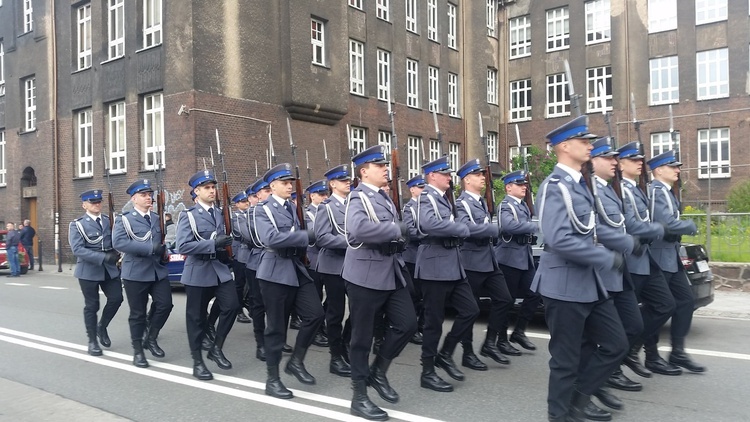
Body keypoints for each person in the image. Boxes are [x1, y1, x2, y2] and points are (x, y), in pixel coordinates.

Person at [532, 116, 629, 422]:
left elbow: (594, 226)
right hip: (563, 285)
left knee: (616, 345)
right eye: (584, 141)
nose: (590, 146)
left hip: (589, 283)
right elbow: (559, 238)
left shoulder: (580, 185)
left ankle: (579, 402)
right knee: (565, 361)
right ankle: (559, 416)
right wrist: (603, 258)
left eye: (589, 141)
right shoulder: (554, 187)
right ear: (564, 146)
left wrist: (629, 243)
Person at [342, 145, 417, 420]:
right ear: (364, 172)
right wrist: (396, 229)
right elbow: (358, 230)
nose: (386, 168)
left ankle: (378, 372)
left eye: (385, 164)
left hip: (390, 272)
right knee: (361, 339)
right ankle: (359, 397)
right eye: (379, 165)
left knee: (408, 324)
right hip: (364, 276)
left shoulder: (384, 197)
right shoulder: (357, 197)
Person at [582, 138, 648, 418]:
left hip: (620, 272)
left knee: (633, 327)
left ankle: (601, 376)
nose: (614, 162)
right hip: (602, 271)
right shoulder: (590, 191)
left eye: (616, 158)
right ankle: (594, 384)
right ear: (593, 161)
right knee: (599, 338)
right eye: (608, 157)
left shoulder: (611, 190)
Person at [253, 163, 325, 399]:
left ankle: (296, 361)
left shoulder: (293, 208)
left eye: (290, 182)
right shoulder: (263, 209)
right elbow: (271, 238)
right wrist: (304, 236)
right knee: (277, 328)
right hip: (274, 272)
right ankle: (272, 380)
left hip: (296, 268)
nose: (289, 186)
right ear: (272, 186)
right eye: (284, 182)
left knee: (315, 314)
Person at [414, 156, 476, 393]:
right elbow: (429, 225)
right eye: (445, 174)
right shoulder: (426, 197)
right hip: (434, 266)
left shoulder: (443, 199)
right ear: (432, 176)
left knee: (471, 310)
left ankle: (446, 352)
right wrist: (461, 228)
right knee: (433, 322)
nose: (450, 177)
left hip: (452, 264)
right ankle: (427, 372)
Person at [616, 142, 677, 377]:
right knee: (626, 319)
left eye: (641, 159)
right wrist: (661, 229)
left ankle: (632, 349)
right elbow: (632, 223)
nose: (640, 163)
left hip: (646, 258)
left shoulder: (639, 189)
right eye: (634, 160)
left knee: (666, 304)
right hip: (631, 260)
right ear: (621, 165)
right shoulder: (621, 190)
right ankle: (615, 364)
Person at [646, 150, 706, 373]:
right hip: (659, 256)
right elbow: (666, 224)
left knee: (685, 302)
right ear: (659, 170)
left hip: (671, 256)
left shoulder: (667, 192)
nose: (678, 170)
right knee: (659, 306)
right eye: (673, 167)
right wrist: (690, 226)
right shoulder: (656, 192)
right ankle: (651, 356)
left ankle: (677, 353)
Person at [175, 170, 239, 381]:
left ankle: (216, 348)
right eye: (207, 188)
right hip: (198, 270)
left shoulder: (221, 213)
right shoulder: (189, 215)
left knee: (231, 306)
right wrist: (212, 244)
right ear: (197, 191)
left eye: (213, 187)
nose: (212, 191)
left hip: (219, 269)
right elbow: (182, 245)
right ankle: (197, 362)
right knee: (196, 319)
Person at [454, 158, 512, 371]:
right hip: (471, 262)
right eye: (478, 175)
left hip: (489, 260)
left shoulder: (481, 202)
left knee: (505, 299)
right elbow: (464, 228)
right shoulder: (461, 204)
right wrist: (492, 230)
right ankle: (467, 353)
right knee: (471, 309)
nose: (483, 178)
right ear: (467, 179)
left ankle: (490, 342)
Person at [112, 179, 173, 368]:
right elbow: (119, 243)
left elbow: (164, 241)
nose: (149, 198)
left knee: (165, 305)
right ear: (134, 199)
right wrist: (149, 248)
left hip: (157, 271)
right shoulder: (124, 219)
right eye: (144, 195)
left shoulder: (157, 218)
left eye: (150, 195)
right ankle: (138, 350)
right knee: (137, 314)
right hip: (135, 272)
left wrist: (165, 251)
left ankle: (151, 338)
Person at [68, 190, 124, 356]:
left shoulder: (108, 221)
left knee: (117, 298)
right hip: (88, 270)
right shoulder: (77, 225)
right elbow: (77, 249)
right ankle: (92, 341)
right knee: (92, 306)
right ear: (84, 205)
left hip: (109, 270)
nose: (97, 205)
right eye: (93, 202)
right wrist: (103, 257)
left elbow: (115, 241)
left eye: (98, 202)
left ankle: (102, 326)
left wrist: (117, 252)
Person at [494, 170, 542, 352]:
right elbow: (508, 225)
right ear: (508, 187)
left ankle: (519, 331)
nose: (524, 187)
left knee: (535, 293)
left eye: (525, 185)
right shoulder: (506, 205)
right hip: (509, 258)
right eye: (520, 185)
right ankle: (501, 339)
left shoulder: (522, 206)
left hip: (525, 257)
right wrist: (534, 225)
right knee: (507, 300)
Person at [314, 165, 353, 377]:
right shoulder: (326, 207)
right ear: (332, 184)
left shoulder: (354, 205)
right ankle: (336, 357)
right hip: (333, 266)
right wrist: (351, 242)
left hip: (353, 265)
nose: (348, 182)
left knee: (358, 310)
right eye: (342, 180)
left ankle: (346, 344)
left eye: (348, 179)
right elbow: (322, 237)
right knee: (336, 313)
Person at [305, 179, 331, 348]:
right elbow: (313, 236)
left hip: (328, 260)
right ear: (312, 196)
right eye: (321, 194)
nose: (324, 197)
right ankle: (317, 330)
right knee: (316, 297)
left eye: (325, 194)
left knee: (333, 297)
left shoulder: (329, 210)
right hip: (313, 260)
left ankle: (325, 324)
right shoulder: (307, 214)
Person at [402, 175, 426, 345]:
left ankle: (422, 325)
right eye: (421, 188)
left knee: (426, 295)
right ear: (412, 190)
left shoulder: (427, 207)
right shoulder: (408, 209)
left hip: (426, 257)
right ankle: (413, 328)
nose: (424, 191)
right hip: (413, 256)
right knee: (414, 295)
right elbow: (410, 231)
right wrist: (429, 236)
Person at [231, 191, 253, 324]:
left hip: (251, 253)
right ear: (237, 204)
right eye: (244, 201)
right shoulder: (236, 217)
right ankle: (239, 310)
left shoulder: (250, 214)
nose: (247, 203)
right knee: (239, 283)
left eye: (247, 201)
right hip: (241, 254)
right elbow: (245, 233)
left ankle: (249, 304)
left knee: (251, 283)